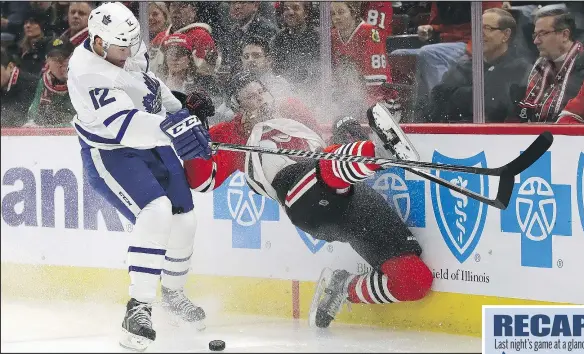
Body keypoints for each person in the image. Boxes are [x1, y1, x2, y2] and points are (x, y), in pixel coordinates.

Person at [182, 71, 433, 329]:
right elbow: (203, 182)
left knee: (414, 281)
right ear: (237, 105)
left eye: (261, 92)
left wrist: (342, 129)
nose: (260, 99)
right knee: (320, 171)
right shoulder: (229, 133)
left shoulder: (289, 108)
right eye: (250, 97)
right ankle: (377, 152)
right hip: (301, 201)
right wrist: (192, 131)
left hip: (350, 193)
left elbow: (322, 144)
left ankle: (341, 288)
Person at [66, 2, 212, 350]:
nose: (130, 52)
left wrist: (179, 105)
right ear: (99, 43)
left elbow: (147, 83)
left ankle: (173, 296)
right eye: (122, 47)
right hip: (112, 151)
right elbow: (125, 128)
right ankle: (138, 308)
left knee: (184, 218)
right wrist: (172, 128)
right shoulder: (87, 72)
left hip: (152, 138)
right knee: (157, 211)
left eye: (134, 44)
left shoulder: (124, 43)